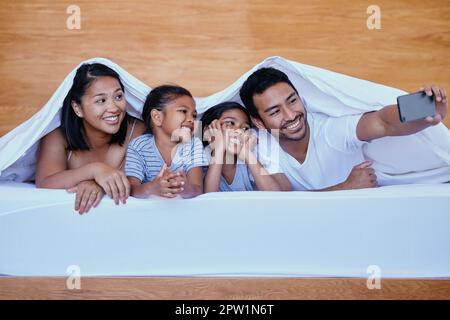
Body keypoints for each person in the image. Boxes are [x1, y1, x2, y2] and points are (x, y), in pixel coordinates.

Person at [239, 67, 448, 191]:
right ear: (258, 122)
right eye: (275, 112)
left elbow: (383, 121)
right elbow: (283, 203)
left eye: (292, 101)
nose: (291, 115)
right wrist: (345, 187)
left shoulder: (330, 131)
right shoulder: (261, 145)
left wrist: (425, 108)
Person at [36, 63, 146, 213]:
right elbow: (45, 182)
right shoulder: (58, 136)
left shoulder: (137, 131)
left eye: (118, 96)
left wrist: (99, 184)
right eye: (101, 100)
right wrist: (94, 170)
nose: (114, 108)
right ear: (78, 108)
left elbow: (136, 180)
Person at [125, 85, 207, 199]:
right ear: (157, 117)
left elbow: (197, 189)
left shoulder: (194, 145)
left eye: (194, 115)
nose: (191, 119)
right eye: (183, 111)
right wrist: (152, 188)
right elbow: (132, 190)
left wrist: (183, 188)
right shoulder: (138, 147)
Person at [201, 101, 291, 192]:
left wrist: (247, 154)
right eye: (230, 123)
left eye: (245, 128)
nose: (238, 131)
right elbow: (208, 197)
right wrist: (219, 148)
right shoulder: (203, 158)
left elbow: (276, 194)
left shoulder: (254, 153)